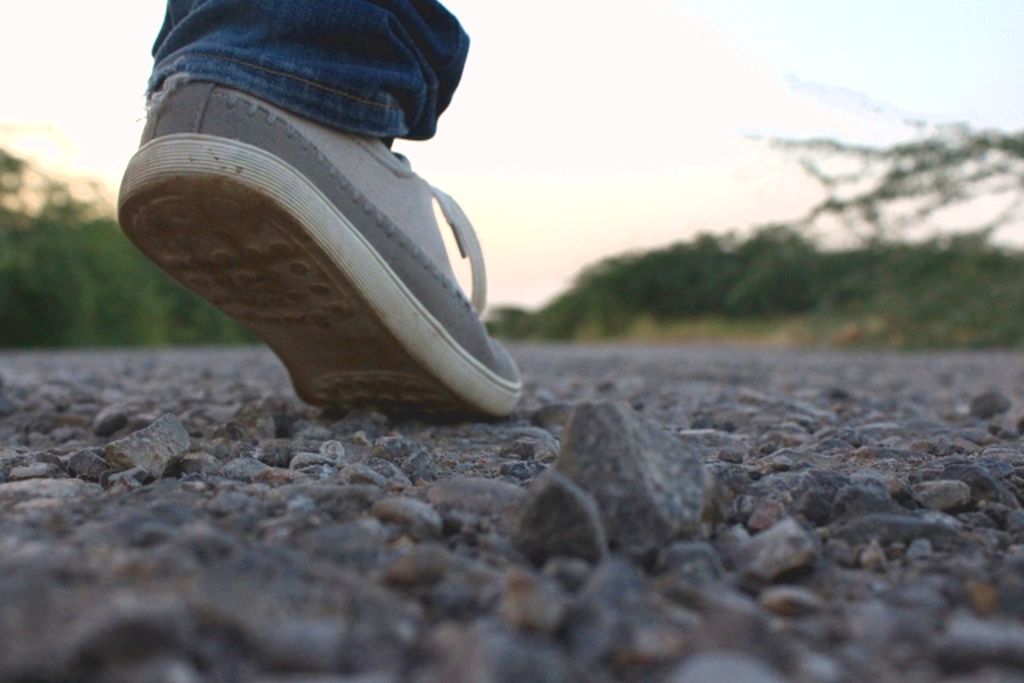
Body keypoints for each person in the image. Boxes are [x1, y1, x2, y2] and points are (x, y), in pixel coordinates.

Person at [118, 0, 521, 418]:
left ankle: (215, 70)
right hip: (309, 80)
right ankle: (308, 77)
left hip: (179, 84)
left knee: (225, 48)